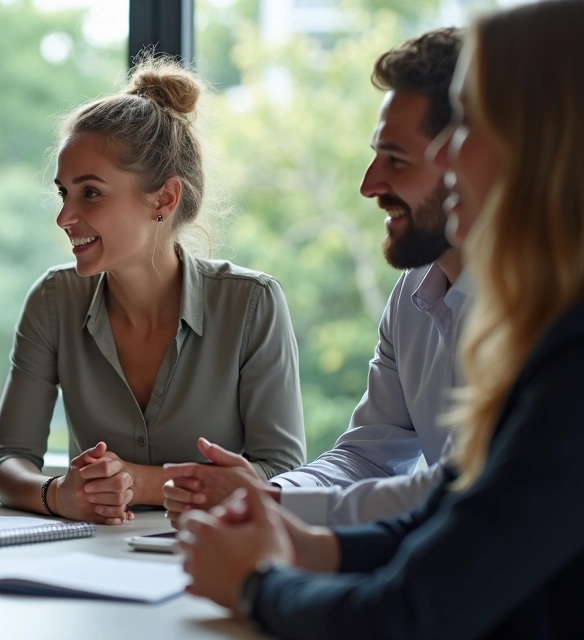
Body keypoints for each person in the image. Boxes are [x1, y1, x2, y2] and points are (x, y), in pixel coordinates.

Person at [179, 3, 584, 638]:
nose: (447, 154)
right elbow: (451, 504)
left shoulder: (568, 350)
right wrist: (300, 539)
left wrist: (257, 582)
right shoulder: (532, 320)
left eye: (470, 121)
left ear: (543, 139)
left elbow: (409, 613)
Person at [163, 28, 466, 527]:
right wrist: (263, 490)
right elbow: (366, 459)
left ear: (469, 162)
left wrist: (275, 505)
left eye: (397, 159)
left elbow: (456, 492)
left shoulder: (545, 309)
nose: (369, 184)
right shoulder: (412, 293)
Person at [0, 54, 306, 524]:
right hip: (93, 561)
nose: (64, 217)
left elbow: (281, 473)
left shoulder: (251, 304)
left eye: (90, 193)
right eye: (64, 193)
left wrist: (138, 481)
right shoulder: (52, 301)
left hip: (218, 555)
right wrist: (58, 494)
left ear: (164, 199)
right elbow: (7, 460)